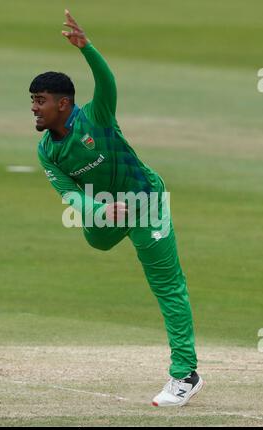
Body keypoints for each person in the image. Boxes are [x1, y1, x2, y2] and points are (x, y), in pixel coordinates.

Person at [30, 9, 203, 406]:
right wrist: (98, 211)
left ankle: (185, 374)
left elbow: (106, 82)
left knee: (168, 287)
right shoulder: (46, 151)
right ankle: (108, 224)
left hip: (146, 200)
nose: (35, 108)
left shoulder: (97, 116)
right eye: (33, 101)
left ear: (64, 103)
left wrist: (86, 48)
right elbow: (68, 195)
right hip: (104, 213)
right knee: (97, 242)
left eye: (41, 101)